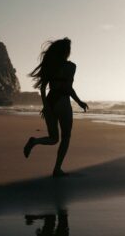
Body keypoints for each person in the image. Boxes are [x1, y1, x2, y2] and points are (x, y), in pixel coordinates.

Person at [23, 37, 88, 177]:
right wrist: (79, 102)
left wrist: (46, 106)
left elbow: (42, 88)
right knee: (66, 137)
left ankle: (35, 141)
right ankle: (57, 169)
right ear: (67, 52)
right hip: (63, 102)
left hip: (50, 101)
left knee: (53, 138)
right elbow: (68, 88)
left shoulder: (50, 66)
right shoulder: (71, 67)